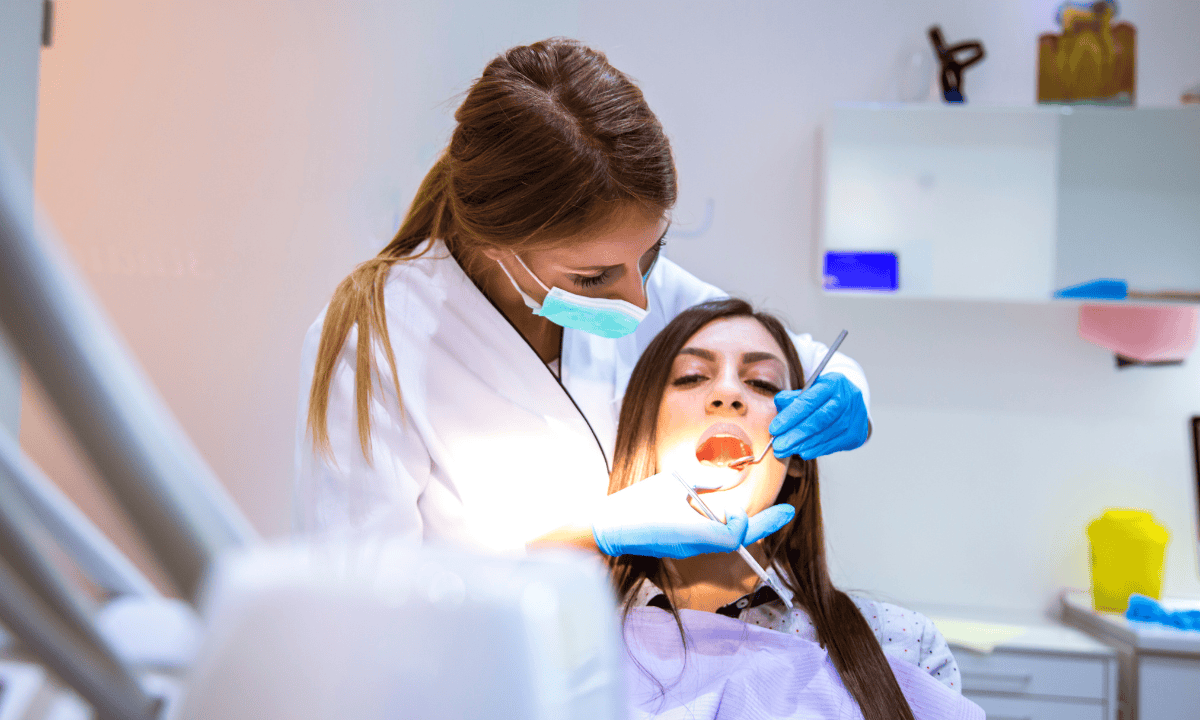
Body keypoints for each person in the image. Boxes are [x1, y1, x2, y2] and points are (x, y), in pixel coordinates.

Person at [295, 38, 871, 559]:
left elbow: (804, 360)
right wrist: (589, 536)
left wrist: (843, 395)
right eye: (593, 278)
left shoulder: (641, 283)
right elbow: (362, 606)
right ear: (498, 246)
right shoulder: (381, 341)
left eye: (651, 255)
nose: (640, 300)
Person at [608, 298, 967, 720]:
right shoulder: (564, 634)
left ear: (800, 453)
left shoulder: (902, 646)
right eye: (691, 377)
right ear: (641, 430)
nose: (727, 394)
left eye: (762, 383)